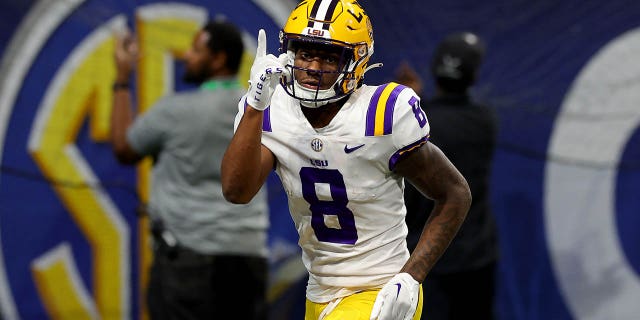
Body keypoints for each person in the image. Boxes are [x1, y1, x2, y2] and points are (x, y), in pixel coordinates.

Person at [221, 1, 472, 320]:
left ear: (356, 62)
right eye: (305, 52)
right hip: (320, 291)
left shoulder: (380, 115)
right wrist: (256, 105)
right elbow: (236, 191)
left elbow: (455, 193)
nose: (313, 66)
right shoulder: (273, 110)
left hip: (377, 291)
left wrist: (411, 276)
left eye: (328, 57)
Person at [110, 20, 269, 320]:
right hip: (248, 260)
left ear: (219, 59)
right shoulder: (260, 112)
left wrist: (121, 78)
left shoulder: (174, 111)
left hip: (187, 265)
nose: (187, 55)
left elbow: (123, 148)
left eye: (197, 49)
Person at [398, 32, 499, 320]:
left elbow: (422, 124)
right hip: (475, 261)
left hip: (421, 261)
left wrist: (409, 104)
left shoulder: (412, 122)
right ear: (474, 75)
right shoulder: (484, 121)